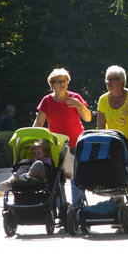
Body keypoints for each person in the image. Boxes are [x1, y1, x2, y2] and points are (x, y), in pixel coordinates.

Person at [33, 68, 92, 207]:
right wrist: (34, 139)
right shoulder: (47, 100)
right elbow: (39, 123)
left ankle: (77, 209)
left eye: (64, 81)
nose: (62, 84)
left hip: (76, 144)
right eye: (58, 81)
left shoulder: (75, 98)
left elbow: (88, 118)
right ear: (51, 84)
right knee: (57, 180)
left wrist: (79, 106)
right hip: (56, 146)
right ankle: (62, 210)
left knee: (75, 178)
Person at [96, 65, 128, 208]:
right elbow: (101, 124)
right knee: (113, 179)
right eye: (108, 79)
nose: (110, 82)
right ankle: (118, 210)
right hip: (113, 147)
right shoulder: (103, 100)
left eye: (114, 79)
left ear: (122, 81)